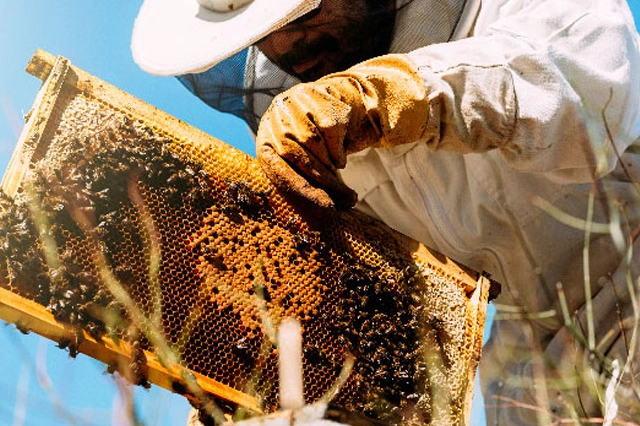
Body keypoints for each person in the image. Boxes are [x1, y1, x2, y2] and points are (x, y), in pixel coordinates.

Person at [131, 0, 640, 423]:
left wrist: (391, 97)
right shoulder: (313, 120)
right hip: (530, 360)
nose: (283, 49)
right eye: (259, 36)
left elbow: (591, 100)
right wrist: (251, 377)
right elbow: (364, 308)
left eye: (297, 16)